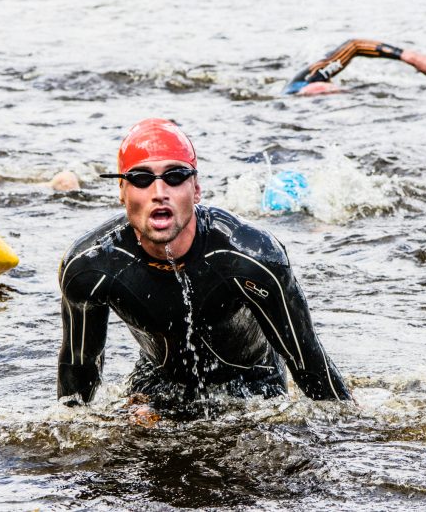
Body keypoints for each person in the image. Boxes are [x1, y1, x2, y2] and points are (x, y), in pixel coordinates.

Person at [57, 118, 352, 414]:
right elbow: (77, 386)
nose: (159, 191)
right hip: (157, 382)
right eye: (142, 178)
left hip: (253, 385)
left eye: (174, 176)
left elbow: (309, 363)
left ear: (196, 189)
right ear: (122, 191)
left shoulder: (251, 256)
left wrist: (353, 432)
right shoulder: (91, 268)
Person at [283, 39, 426, 95]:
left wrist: (411, 56)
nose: (331, 90)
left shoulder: (312, 78)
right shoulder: (292, 101)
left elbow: (354, 46)